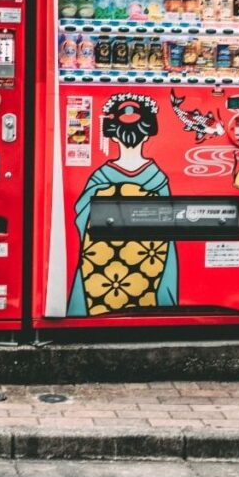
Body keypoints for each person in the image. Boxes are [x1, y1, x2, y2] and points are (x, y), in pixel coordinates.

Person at [67, 93, 177, 316]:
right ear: (148, 134)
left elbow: (80, 216)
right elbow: (170, 232)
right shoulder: (158, 178)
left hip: (98, 282)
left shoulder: (99, 177)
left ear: (112, 136)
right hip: (148, 275)